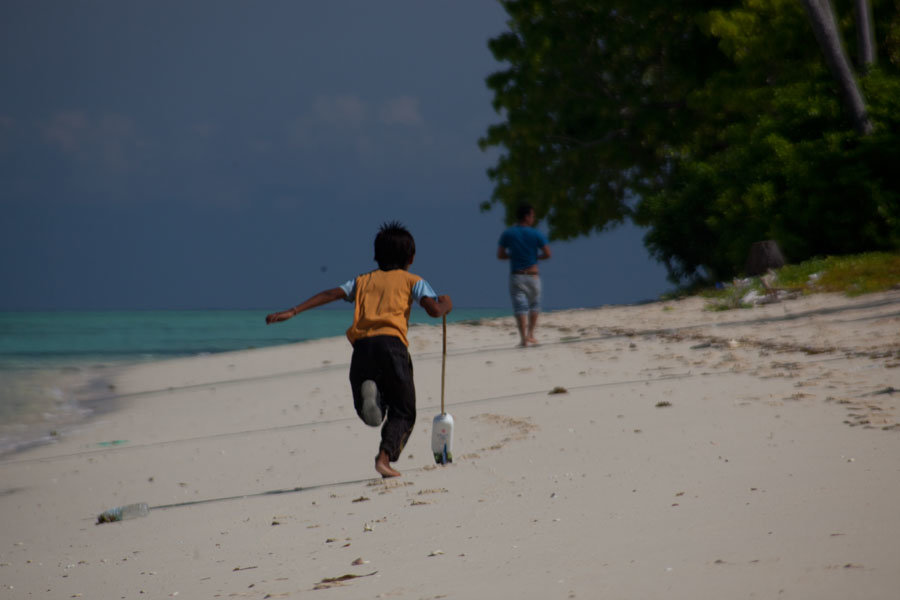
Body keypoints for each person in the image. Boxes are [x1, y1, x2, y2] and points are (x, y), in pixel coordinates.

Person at [266, 222, 453, 478]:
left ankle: (371, 394)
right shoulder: (413, 281)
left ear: (376, 256)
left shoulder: (362, 281)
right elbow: (433, 310)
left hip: (362, 349)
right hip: (392, 347)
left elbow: (331, 293)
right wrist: (446, 305)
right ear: (411, 258)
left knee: (373, 415)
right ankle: (384, 458)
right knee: (404, 411)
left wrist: (294, 310)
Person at [497, 204, 551, 347]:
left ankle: (523, 339)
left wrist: (513, 255)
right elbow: (547, 253)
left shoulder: (508, 234)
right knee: (534, 305)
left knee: (520, 307)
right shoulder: (536, 234)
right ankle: (531, 334)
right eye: (533, 216)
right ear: (527, 216)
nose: (533, 218)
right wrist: (535, 256)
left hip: (517, 275)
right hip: (533, 274)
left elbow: (500, 254)